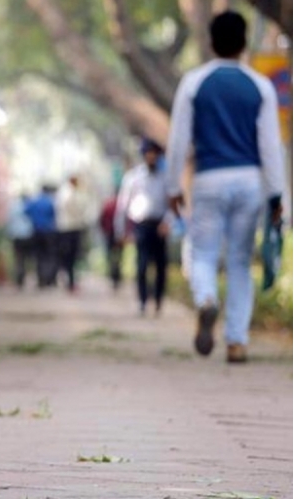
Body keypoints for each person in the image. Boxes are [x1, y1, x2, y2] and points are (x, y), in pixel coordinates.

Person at [165, 10, 285, 363]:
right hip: (249, 181)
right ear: (245, 43)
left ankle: (205, 299)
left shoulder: (194, 82)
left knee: (202, 253)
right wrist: (279, 195)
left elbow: (178, 141)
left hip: (209, 180)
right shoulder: (260, 85)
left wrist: (173, 187)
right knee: (239, 261)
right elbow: (270, 146)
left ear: (211, 42)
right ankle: (237, 340)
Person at [115, 139, 171, 316]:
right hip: (141, 226)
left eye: (155, 153)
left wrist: (167, 222)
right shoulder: (133, 178)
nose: (152, 156)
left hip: (160, 225)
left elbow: (173, 204)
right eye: (149, 153)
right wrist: (121, 230)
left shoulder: (166, 178)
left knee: (161, 266)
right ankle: (142, 300)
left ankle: (159, 300)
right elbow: (123, 206)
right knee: (142, 264)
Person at [54, 175, 93, 293]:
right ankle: (69, 281)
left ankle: (70, 281)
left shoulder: (67, 192)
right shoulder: (68, 193)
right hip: (69, 228)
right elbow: (75, 207)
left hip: (71, 228)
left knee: (72, 257)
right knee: (69, 256)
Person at [24, 185, 58, 288]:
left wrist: (35, 219)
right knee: (49, 255)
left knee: (39, 256)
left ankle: (41, 280)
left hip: (36, 231)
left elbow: (26, 211)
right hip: (49, 231)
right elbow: (55, 214)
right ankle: (50, 279)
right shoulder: (50, 201)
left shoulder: (34, 201)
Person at [5, 193, 35, 289]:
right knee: (28, 258)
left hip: (16, 236)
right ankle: (26, 276)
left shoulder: (13, 207)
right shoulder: (29, 206)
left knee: (19, 258)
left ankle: (19, 279)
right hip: (27, 235)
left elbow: (9, 221)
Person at [98, 187, 124, 292]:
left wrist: (104, 230)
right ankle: (116, 276)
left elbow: (101, 220)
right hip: (117, 234)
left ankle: (114, 276)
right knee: (118, 256)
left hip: (110, 234)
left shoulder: (108, 205)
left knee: (111, 256)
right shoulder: (121, 205)